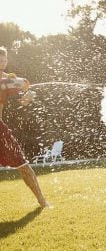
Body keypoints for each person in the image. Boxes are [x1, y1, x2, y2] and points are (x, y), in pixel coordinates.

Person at [0, 46, 49, 207]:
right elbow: (5, 84)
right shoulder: (8, 80)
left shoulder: (8, 79)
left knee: (23, 165)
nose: (2, 61)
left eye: (4, 59)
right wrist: (13, 81)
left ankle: (42, 201)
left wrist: (27, 97)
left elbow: (19, 100)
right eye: (0, 59)